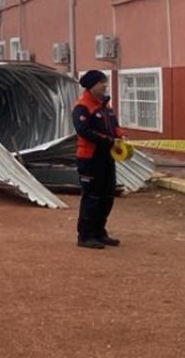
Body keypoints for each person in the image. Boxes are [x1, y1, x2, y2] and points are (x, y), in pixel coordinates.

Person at [72, 70, 124, 249]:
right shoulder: (83, 106)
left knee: (107, 196)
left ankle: (99, 232)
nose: (105, 85)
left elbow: (114, 125)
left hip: (107, 157)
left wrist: (120, 137)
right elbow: (83, 131)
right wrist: (108, 140)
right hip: (90, 158)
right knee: (92, 197)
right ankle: (85, 235)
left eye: (105, 82)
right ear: (92, 85)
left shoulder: (105, 106)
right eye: (102, 82)